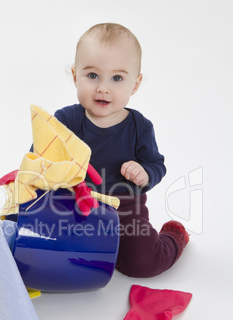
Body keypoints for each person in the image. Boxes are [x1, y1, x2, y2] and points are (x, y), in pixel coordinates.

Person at [53, 23, 189, 278]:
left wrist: (145, 173)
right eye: (92, 75)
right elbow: (39, 160)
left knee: (143, 263)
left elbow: (157, 165)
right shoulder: (65, 121)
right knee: (54, 253)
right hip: (74, 206)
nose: (103, 88)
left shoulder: (139, 126)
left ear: (135, 85)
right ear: (74, 75)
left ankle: (173, 237)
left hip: (124, 209)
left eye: (117, 78)